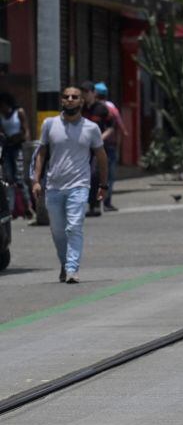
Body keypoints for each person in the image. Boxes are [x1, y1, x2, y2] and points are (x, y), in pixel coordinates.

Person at [32, 86, 108, 283]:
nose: (70, 99)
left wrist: (103, 184)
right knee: (57, 231)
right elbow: (41, 153)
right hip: (54, 187)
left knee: (73, 227)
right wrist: (36, 180)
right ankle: (65, 264)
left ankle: (72, 268)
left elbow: (101, 157)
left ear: (82, 102)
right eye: (66, 97)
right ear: (62, 100)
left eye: (75, 97)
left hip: (79, 185)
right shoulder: (49, 124)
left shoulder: (91, 128)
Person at [79, 81, 113, 217]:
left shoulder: (102, 109)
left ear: (93, 93)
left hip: (98, 149)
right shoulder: (80, 109)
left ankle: (95, 205)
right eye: (83, 93)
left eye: (87, 93)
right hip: (83, 148)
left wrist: (101, 138)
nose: (85, 96)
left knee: (94, 175)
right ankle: (85, 204)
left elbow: (111, 127)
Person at [94, 82, 127, 212]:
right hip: (109, 146)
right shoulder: (111, 107)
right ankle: (106, 202)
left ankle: (95, 202)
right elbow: (119, 125)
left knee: (95, 173)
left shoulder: (92, 108)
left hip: (95, 147)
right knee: (110, 175)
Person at [0, 92, 30, 215]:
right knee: (9, 179)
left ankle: (28, 206)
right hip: (7, 148)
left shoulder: (19, 112)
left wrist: (26, 144)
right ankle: (11, 209)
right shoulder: (1, 116)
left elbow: (26, 130)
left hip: (18, 147)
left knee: (20, 179)